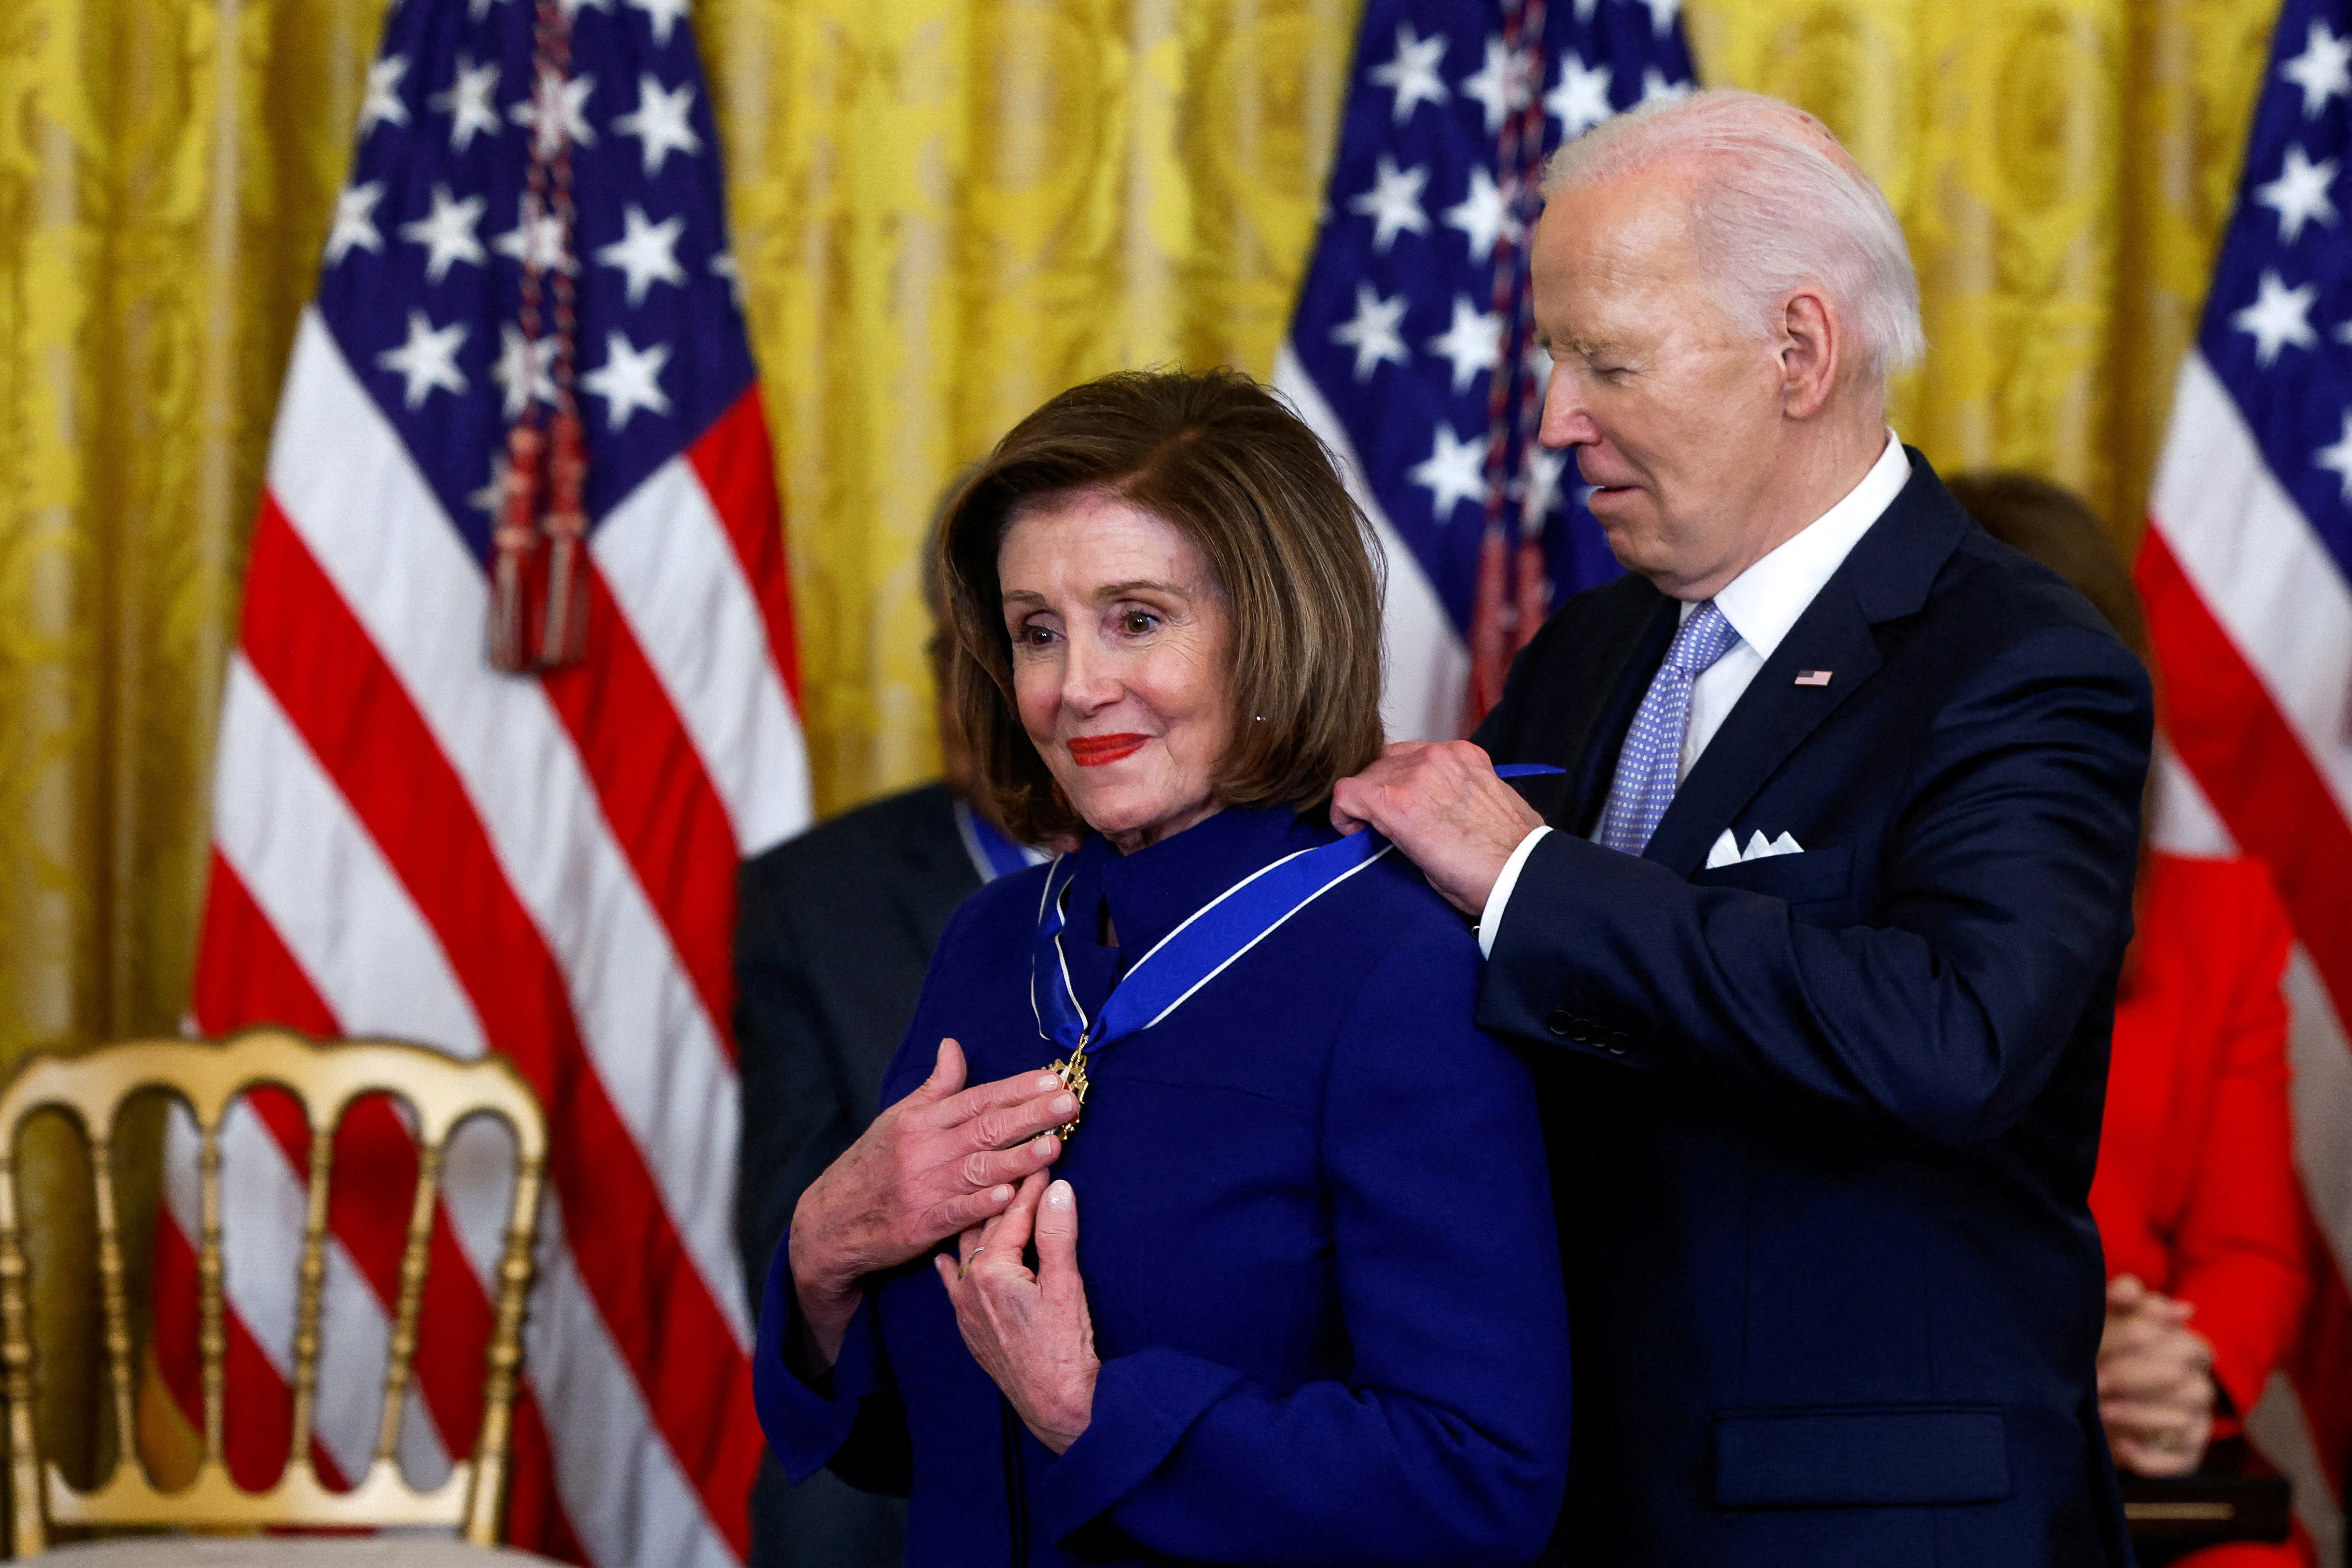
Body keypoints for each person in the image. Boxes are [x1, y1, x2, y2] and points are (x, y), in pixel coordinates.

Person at [1332, 91, 2152, 1565]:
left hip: (1869, 1528)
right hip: (1569, 1502)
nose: (1553, 420)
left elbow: (1954, 1035)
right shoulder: (1583, 655)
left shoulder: (2021, 663)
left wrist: (1526, 877)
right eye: (1551, 359)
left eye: (1606, 362)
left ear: (1798, 351)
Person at [751, 367, 1570, 1567]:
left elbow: (1481, 1485)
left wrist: (1091, 1410)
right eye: (1037, 631)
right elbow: (903, 1444)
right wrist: (823, 1253)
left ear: (1273, 627)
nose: (1076, 687)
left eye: (1136, 618)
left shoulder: (1400, 965)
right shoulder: (994, 943)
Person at [1949, 471, 2313, 1568]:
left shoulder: (2221, 917)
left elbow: (2250, 1253)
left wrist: (2176, 1370)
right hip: (1908, 1428)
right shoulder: (1791, 912)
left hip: (2136, 1457)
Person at [734, 518, 1044, 1568]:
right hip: (909, 1437)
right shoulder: (810, 897)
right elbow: (788, 1247)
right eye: (958, 652)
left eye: (1021, 643)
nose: (984, 689)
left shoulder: (1265, 878)